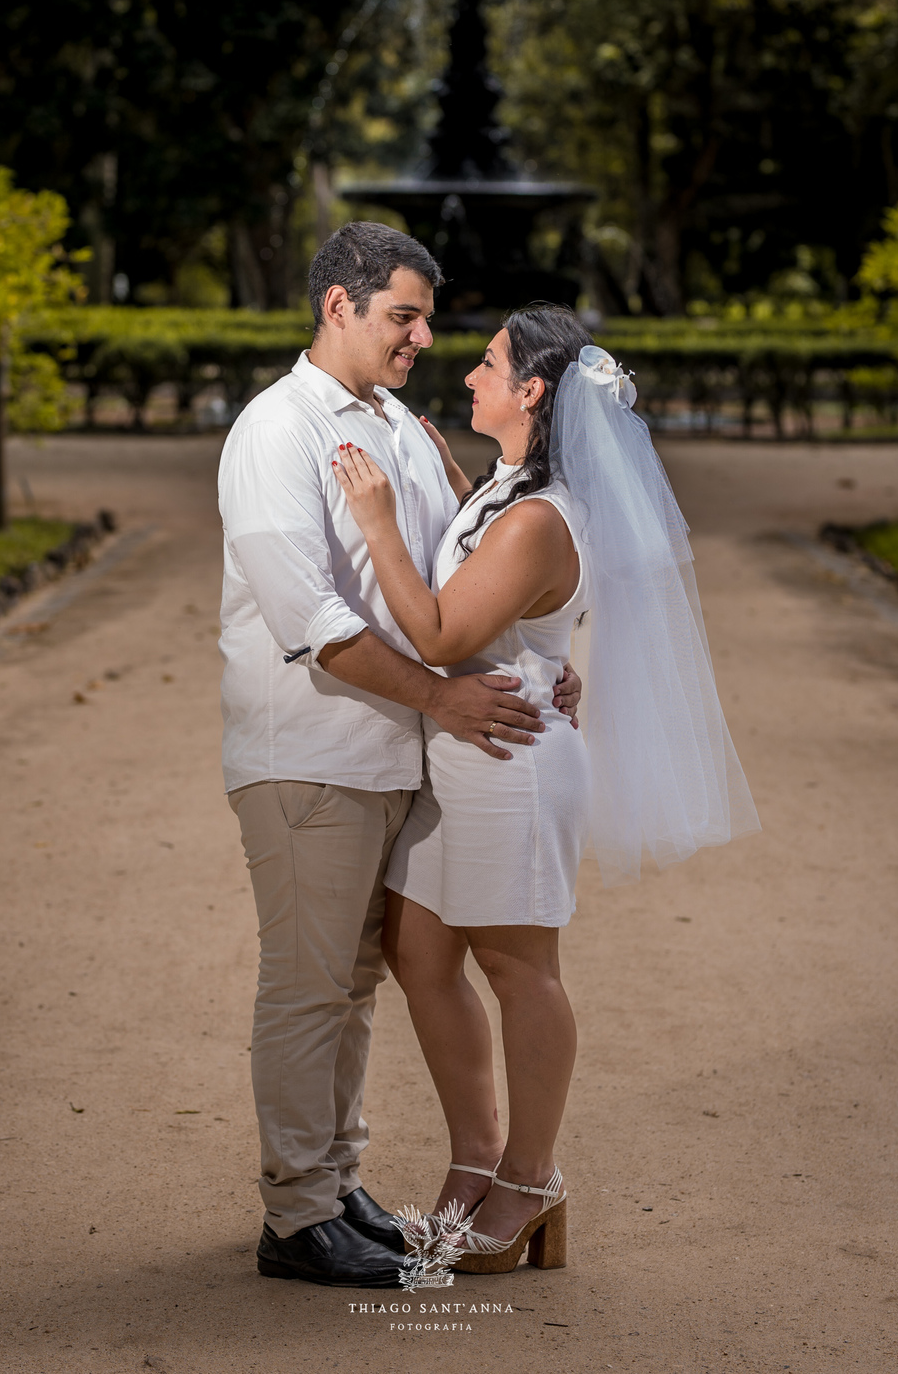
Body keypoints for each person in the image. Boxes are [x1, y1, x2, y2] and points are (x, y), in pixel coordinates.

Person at [331, 304, 760, 1277]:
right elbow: (496, 584)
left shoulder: (536, 517)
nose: (469, 375)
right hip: (472, 756)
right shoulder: (510, 488)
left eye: (488, 365)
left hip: (512, 767)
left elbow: (443, 635)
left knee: (521, 971)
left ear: (532, 392)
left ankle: (531, 1183)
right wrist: (443, 481)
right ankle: (476, 1157)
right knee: (419, 950)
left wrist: (376, 522)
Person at [217, 224, 581, 1289]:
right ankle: (298, 1217)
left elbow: (467, 569)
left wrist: (542, 657)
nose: (424, 334)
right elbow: (313, 619)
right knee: (307, 984)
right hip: (314, 750)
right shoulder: (275, 431)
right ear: (339, 304)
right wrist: (443, 699)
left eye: (426, 317)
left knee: (355, 983)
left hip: (401, 758)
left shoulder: (404, 431)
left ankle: (334, 1188)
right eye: (403, 316)